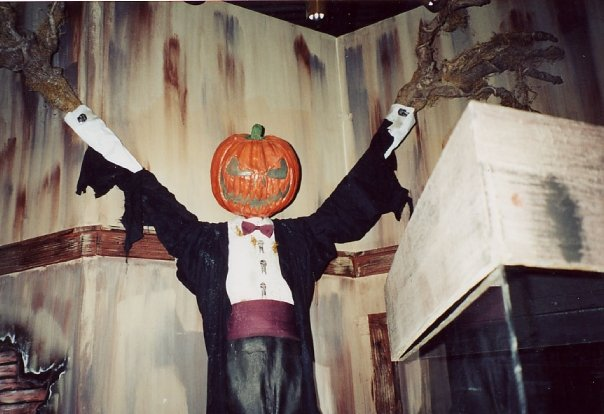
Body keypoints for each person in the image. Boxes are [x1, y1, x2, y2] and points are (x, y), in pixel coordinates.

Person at [64, 103, 416, 414]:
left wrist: (397, 119)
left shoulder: (300, 236)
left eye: (274, 173)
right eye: (240, 172)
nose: (257, 182)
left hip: (291, 359)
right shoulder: (206, 240)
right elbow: (155, 197)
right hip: (234, 357)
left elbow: (349, 197)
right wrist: (88, 124)